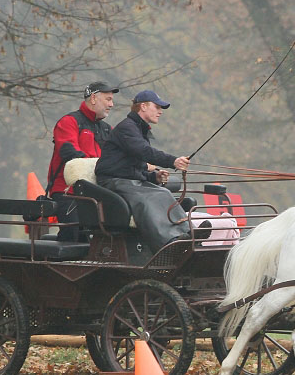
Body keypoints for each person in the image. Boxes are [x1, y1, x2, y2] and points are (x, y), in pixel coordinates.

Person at [95, 90, 193, 252]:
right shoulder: (127, 128)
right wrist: (173, 161)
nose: (160, 112)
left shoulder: (138, 129)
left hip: (128, 180)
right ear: (144, 106)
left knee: (165, 193)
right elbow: (143, 152)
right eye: (157, 107)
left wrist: (154, 177)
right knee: (148, 199)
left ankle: (187, 234)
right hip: (113, 182)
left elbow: (135, 166)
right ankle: (166, 244)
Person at [47, 81, 119, 241]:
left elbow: (118, 158)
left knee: (108, 236)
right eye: (108, 99)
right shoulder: (69, 122)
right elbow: (69, 153)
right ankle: (61, 265)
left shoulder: (107, 129)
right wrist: (103, 165)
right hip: (68, 192)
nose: (112, 104)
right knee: (73, 235)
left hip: (97, 193)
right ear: (93, 98)